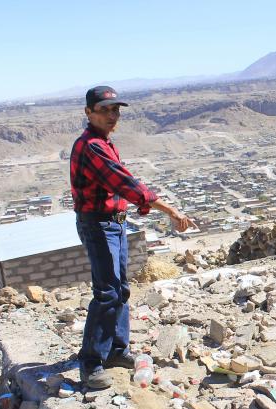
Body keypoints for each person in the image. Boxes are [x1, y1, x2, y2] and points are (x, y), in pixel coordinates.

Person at [70, 85, 196, 389]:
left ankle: (116, 350)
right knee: (107, 292)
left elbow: (123, 186)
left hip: (113, 223)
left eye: (115, 110)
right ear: (89, 113)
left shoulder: (103, 142)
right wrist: (169, 210)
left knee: (120, 288)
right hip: (99, 225)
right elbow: (126, 184)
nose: (112, 115)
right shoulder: (92, 147)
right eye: (105, 110)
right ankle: (90, 363)